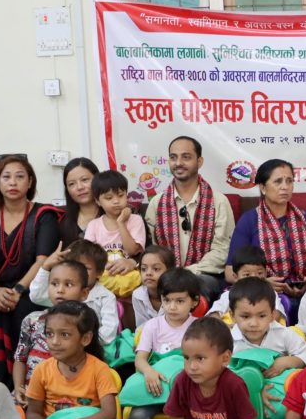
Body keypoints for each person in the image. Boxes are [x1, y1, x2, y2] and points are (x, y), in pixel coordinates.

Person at [0, 155, 61, 389]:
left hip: (34, 288)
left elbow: (43, 260)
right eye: (6, 177)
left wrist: (19, 289)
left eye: (20, 176)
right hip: (0, 288)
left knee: (24, 312)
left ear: (30, 182)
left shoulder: (44, 215)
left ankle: (28, 387)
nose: (13, 182)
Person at [130, 267, 201, 419]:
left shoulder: (198, 327)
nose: (172, 307)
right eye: (167, 300)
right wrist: (149, 371)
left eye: (180, 301)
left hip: (188, 393)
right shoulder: (152, 326)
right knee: (136, 416)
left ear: (194, 301)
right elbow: (140, 359)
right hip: (156, 390)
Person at [225, 159, 306, 313]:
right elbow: (230, 272)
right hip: (264, 294)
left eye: (289, 181)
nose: (285, 186)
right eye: (278, 181)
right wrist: (262, 283)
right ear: (263, 188)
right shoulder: (249, 221)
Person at [144, 136, 235, 301]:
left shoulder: (218, 201)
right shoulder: (157, 203)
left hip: (205, 274)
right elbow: (152, 247)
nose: (178, 163)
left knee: (198, 285)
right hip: (164, 274)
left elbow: (222, 250)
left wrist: (187, 272)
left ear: (199, 162)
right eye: (173, 157)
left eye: (186, 157)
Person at [230, 277, 306, 419]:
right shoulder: (228, 341)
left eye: (261, 316)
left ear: (273, 314)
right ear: (232, 315)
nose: (253, 323)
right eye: (245, 316)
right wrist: (254, 391)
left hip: (278, 391)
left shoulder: (283, 333)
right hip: (243, 395)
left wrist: (287, 361)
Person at [13, 260, 92, 406]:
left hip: (67, 397)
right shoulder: (32, 320)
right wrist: (19, 387)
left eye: (68, 285)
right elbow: (20, 358)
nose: (60, 290)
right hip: (29, 394)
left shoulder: (86, 324)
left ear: (84, 293)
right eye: (54, 284)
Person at [29, 240, 119, 346]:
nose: (77, 272)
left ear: (99, 273)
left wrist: (80, 343)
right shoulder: (63, 292)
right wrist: (45, 267)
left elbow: (108, 333)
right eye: (73, 266)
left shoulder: (105, 297)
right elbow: (36, 296)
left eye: (85, 268)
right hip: (58, 345)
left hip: (90, 348)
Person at [84, 170, 145, 298]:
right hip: (104, 274)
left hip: (128, 273)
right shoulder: (93, 225)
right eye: (109, 198)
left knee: (136, 278)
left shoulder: (136, 220)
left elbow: (132, 250)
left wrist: (121, 223)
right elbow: (88, 255)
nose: (116, 201)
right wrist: (103, 266)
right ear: (97, 201)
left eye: (121, 195)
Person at [209, 246, 286, 324]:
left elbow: (277, 313)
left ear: (266, 273)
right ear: (236, 277)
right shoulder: (228, 294)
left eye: (259, 273)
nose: (254, 278)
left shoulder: (270, 293)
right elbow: (214, 314)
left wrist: (262, 327)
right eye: (247, 275)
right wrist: (226, 327)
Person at [57, 158, 101, 245]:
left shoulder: (116, 215)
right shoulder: (60, 221)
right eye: (71, 184)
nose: (79, 187)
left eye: (84, 180)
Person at [132, 245, 175, 329]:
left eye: (156, 269)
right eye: (144, 269)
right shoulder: (137, 295)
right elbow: (141, 327)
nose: (148, 273)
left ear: (170, 271)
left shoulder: (178, 295)